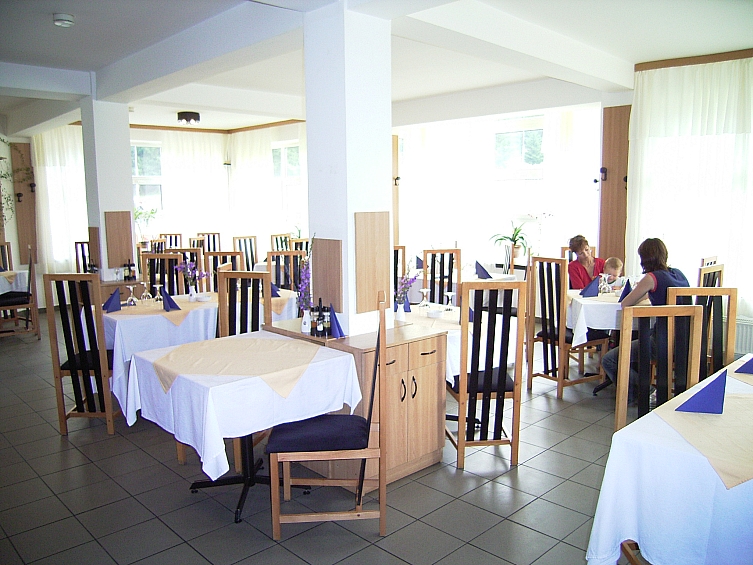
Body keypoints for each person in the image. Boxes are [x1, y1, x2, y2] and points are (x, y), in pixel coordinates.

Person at [600, 238, 689, 402]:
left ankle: (645, 391)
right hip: (685, 340)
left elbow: (625, 303)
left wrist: (639, 292)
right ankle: (638, 393)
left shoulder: (651, 278)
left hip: (662, 341)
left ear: (644, 258)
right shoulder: (678, 273)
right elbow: (658, 292)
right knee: (640, 338)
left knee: (609, 360)